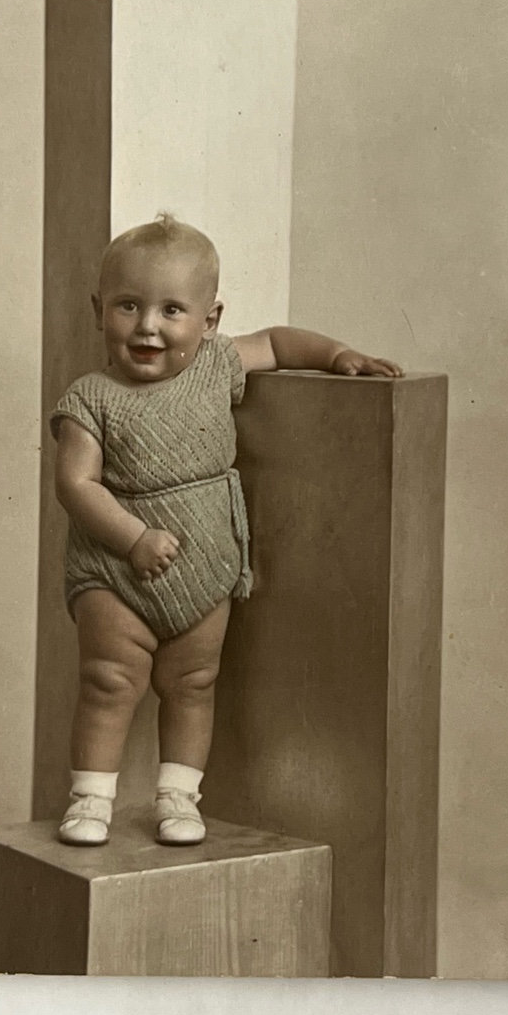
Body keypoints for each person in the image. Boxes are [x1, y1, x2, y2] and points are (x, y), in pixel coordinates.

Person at [50, 213, 403, 847]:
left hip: (204, 556)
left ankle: (179, 797)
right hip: (115, 564)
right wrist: (133, 538)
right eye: (128, 306)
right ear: (99, 309)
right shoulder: (90, 397)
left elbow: (277, 342)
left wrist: (336, 354)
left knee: (193, 681)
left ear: (208, 321)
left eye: (172, 311)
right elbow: (76, 486)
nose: (149, 326)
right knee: (108, 678)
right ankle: (90, 799)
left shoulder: (217, 364)